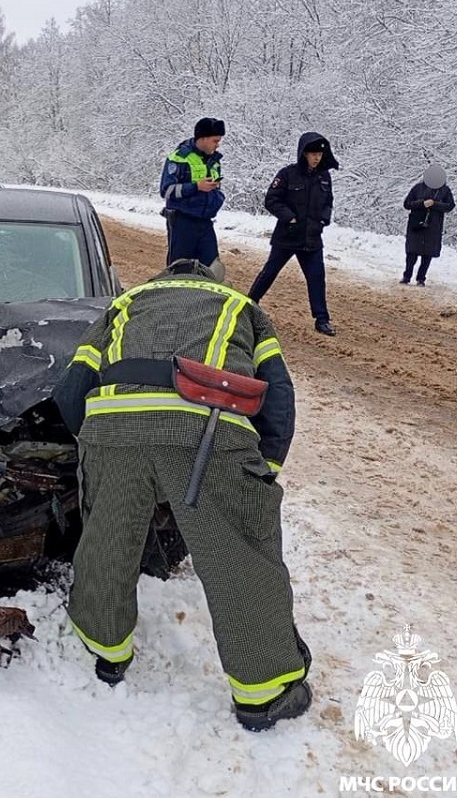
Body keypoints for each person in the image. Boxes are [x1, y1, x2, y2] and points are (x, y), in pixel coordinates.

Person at [51, 257, 313, 732]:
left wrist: (97, 446)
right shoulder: (242, 306)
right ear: (209, 282)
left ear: (160, 281)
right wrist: (259, 473)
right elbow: (278, 397)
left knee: (107, 539)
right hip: (207, 429)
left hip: (114, 427)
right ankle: (265, 693)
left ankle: (104, 650)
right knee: (239, 556)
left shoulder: (124, 303)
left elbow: (72, 390)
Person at [247, 132, 339, 336]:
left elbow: (328, 201)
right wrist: (289, 217)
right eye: (313, 154)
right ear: (303, 154)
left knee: (317, 278)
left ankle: (322, 319)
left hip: (312, 238)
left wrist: (324, 218)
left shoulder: (324, 176)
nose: (317, 158)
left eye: (320, 154)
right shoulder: (287, 174)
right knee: (269, 272)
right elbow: (271, 200)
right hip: (287, 236)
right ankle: (249, 305)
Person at [159, 117, 225, 267]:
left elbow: (216, 186)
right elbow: (166, 190)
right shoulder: (179, 158)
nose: (218, 145)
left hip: (206, 223)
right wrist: (196, 187)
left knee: (212, 269)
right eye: (215, 141)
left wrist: (218, 197)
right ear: (203, 138)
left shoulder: (214, 160)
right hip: (182, 222)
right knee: (180, 269)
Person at [401, 165, 455, 285]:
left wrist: (435, 204)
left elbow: (450, 206)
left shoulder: (445, 191)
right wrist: (422, 204)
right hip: (416, 225)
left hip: (433, 227)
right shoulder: (417, 188)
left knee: (427, 254)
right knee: (411, 253)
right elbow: (407, 204)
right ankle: (407, 276)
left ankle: (421, 278)